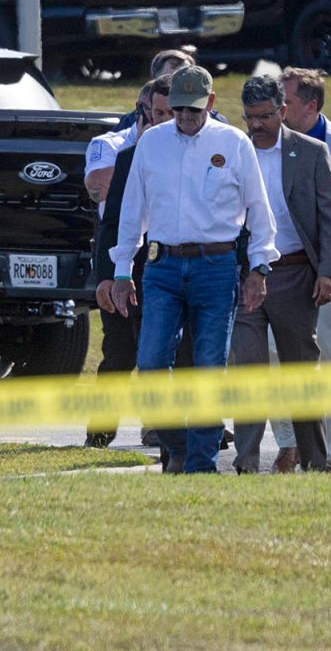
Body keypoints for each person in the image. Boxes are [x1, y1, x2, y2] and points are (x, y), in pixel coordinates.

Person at [111, 65, 279, 474]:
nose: (185, 117)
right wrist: (120, 270)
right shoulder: (151, 143)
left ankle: (200, 464)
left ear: (211, 104)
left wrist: (259, 268)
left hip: (216, 266)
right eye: (179, 109)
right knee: (150, 364)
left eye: (193, 110)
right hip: (162, 266)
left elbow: (259, 211)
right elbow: (132, 208)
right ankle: (180, 445)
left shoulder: (234, 143)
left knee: (209, 366)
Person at [231, 76, 331, 474]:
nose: (257, 125)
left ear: (283, 112)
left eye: (265, 116)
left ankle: (316, 461)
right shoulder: (235, 151)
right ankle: (246, 463)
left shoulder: (311, 153)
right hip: (246, 278)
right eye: (250, 117)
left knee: (301, 371)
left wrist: (329, 274)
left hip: (296, 275)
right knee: (247, 369)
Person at [85, 76, 175, 449]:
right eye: (160, 113)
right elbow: (111, 215)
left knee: (166, 348)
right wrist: (107, 278)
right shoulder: (122, 152)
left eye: (176, 112)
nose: (168, 120)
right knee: (120, 352)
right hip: (127, 263)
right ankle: (100, 432)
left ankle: (165, 426)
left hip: (168, 261)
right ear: (144, 111)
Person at [281, 66, 331, 466]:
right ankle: (289, 446)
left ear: (311, 106)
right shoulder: (268, 143)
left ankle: (330, 453)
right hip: (286, 265)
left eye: (286, 101)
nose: (278, 109)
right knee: (283, 358)